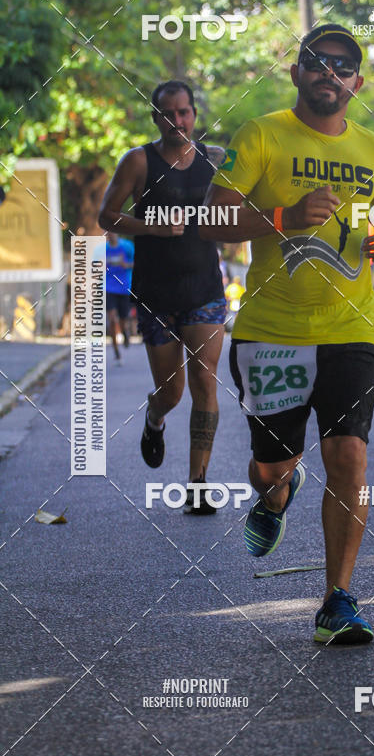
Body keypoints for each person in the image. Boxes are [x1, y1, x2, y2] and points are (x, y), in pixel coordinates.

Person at [203, 23, 374, 644]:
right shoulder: (263, 133)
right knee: (273, 465)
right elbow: (213, 218)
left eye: (343, 64)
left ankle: (337, 599)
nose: (330, 72)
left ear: (358, 81)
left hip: (352, 328)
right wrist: (283, 217)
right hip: (272, 332)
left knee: (348, 454)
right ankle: (274, 495)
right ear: (296, 72)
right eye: (317, 61)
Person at [99, 80, 227, 515]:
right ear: (157, 118)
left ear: (195, 114)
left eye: (185, 112)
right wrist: (153, 227)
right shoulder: (138, 161)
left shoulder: (215, 161)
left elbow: (240, 205)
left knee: (206, 380)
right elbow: (106, 215)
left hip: (205, 289)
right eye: (169, 114)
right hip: (155, 294)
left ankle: (198, 483)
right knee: (171, 392)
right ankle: (155, 419)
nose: (178, 121)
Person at [105, 232, 134, 364]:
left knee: (123, 318)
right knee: (111, 319)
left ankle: (125, 332)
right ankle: (116, 350)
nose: (110, 234)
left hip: (124, 287)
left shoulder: (127, 246)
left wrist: (126, 265)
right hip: (108, 288)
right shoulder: (103, 249)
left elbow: (138, 262)